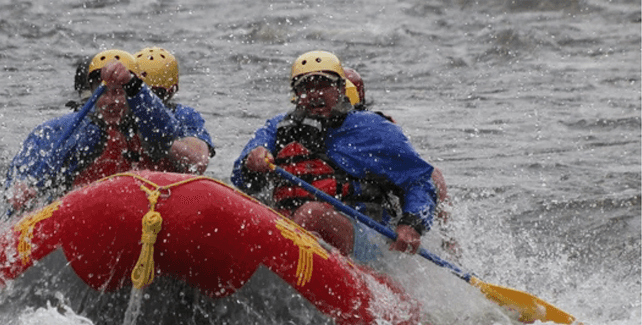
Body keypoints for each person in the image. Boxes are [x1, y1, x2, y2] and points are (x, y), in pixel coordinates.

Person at [232, 50, 438, 260]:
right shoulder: (277, 128)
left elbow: (419, 180)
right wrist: (252, 162)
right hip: (291, 225)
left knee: (312, 214)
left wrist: (412, 225)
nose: (315, 94)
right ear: (295, 95)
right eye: (306, 87)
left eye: (324, 85)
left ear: (341, 89)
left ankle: (290, 259)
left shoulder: (374, 129)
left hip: (363, 235)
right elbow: (240, 178)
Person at [6, 49, 215, 212]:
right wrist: (21, 189)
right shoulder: (69, 129)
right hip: (84, 216)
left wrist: (133, 86)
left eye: (120, 93)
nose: (111, 101)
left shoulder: (155, 121)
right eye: (105, 93)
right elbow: (26, 170)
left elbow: (175, 140)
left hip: (150, 212)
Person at [342, 64, 452, 219]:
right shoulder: (307, 128)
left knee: (433, 174)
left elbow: (415, 173)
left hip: (380, 200)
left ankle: (449, 238)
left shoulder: (378, 127)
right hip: (342, 203)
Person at [133, 46, 215, 173]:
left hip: (170, 185)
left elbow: (199, 162)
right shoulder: (116, 113)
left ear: (171, 91)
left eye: (154, 94)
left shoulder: (184, 116)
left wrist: (161, 141)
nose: (148, 103)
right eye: (141, 95)